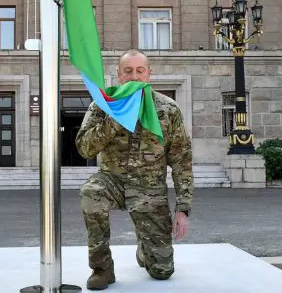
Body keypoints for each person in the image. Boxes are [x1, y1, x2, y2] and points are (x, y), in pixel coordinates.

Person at [76, 49, 194, 290]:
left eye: (140, 71)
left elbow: (182, 160)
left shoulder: (167, 109)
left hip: (149, 191)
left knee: (162, 272)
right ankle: (102, 269)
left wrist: (183, 209)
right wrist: (114, 119)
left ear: (148, 75)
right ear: (119, 75)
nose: (134, 76)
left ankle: (145, 247)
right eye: (128, 71)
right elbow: (84, 149)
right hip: (112, 182)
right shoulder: (103, 105)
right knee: (90, 193)